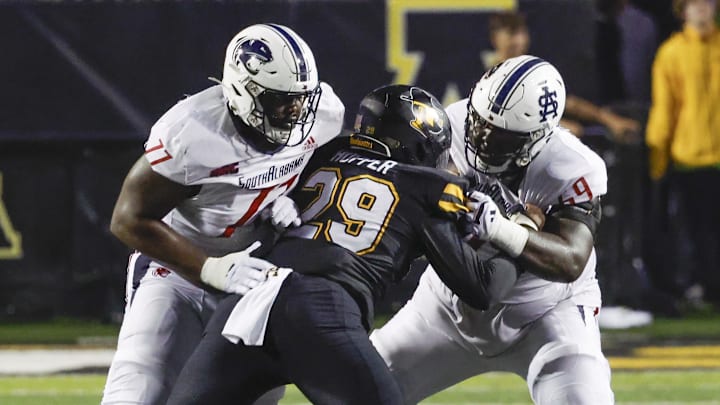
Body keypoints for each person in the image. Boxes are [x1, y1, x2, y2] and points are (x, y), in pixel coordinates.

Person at [165, 84, 531, 405]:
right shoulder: (427, 186)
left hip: (247, 297)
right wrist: (514, 240)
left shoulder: (320, 155)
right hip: (321, 306)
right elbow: (481, 288)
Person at [101, 23, 345, 405]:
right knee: (139, 388)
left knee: (254, 397)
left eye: (301, 98)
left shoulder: (323, 115)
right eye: (280, 99)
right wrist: (211, 268)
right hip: (177, 273)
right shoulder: (193, 134)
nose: (296, 110)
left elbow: (324, 167)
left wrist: (293, 196)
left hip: (255, 276)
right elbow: (128, 220)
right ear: (243, 91)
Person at [370, 55, 615, 404]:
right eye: (480, 122)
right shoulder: (451, 123)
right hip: (446, 306)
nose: (482, 137)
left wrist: (499, 228)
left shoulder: (571, 166)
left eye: (499, 135)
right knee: (357, 390)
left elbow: (571, 260)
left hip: (544, 315)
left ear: (536, 139)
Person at [645, 0, 720, 307]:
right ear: (682, 10)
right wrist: (657, 158)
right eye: (694, 3)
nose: (702, 8)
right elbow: (665, 110)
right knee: (700, 231)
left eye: (707, 2)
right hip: (690, 158)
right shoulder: (671, 53)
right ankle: (709, 288)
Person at [483, 10, 640, 143]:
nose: (521, 41)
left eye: (523, 33)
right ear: (495, 39)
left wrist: (609, 120)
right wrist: (558, 129)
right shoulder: (490, 80)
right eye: (512, 34)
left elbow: (569, 103)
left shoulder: (532, 72)